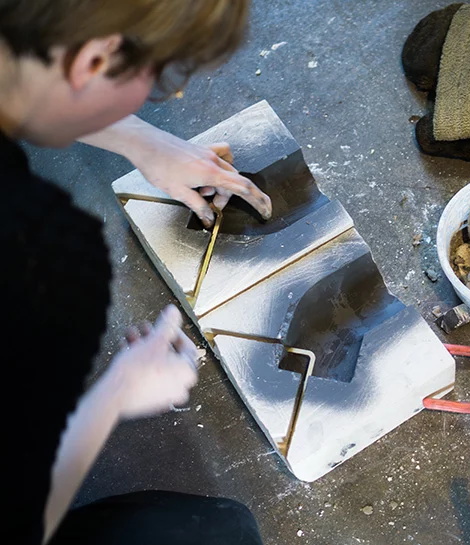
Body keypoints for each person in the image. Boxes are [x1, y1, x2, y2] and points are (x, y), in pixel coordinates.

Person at [0, 1, 272, 543]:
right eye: (153, 79)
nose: (166, 95)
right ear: (94, 60)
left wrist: (142, 141)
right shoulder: (29, 249)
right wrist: (115, 394)